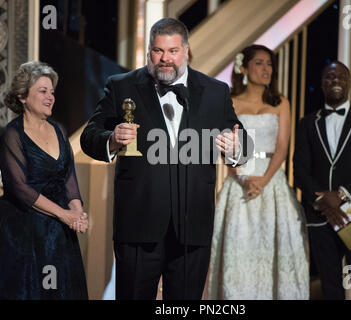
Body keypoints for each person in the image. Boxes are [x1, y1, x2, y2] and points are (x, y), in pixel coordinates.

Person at [80, 18, 252, 300]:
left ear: (185, 50)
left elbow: (241, 140)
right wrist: (111, 139)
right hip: (138, 224)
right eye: (158, 51)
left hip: (192, 227)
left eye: (172, 51)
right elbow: (90, 136)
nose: (165, 59)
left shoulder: (215, 91)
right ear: (149, 51)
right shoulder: (122, 86)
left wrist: (235, 148)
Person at [0, 62, 89, 300]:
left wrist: (77, 211)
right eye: (43, 91)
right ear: (22, 96)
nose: (50, 97)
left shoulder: (59, 130)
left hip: (57, 232)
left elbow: (68, 177)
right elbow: (20, 189)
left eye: (52, 92)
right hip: (21, 231)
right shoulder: (11, 135)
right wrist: (64, 214)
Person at [207, 45, 309, 300]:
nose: (266, 69)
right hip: (238, 180)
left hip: (271, 181)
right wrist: (242, 176)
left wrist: (263, 180)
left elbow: (282, 147)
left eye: (270, 64)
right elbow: (224, 145)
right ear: (244, 68)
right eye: (260, 63)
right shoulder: (229, 101)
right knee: (238, 249)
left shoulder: (280, 102)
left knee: (274, 251)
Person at [293, 61, 351, 300]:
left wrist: (340, 195)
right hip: (319, 215)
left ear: (349, 82)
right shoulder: (307, 123)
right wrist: (323, 199)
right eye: (329, 77)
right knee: (329, 284)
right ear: (321, 84)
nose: (335, 81)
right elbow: (300, 170)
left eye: (341, 77)